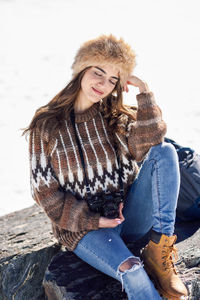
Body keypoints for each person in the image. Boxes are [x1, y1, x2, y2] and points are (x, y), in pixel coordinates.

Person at [23, 35, 188, 299]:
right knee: (132, 270)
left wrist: (144, 90)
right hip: (86, 230)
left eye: (113, 79)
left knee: (165, 151)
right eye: (98, 73)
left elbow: (151, 142)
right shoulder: (47, 125)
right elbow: (46, 195)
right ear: (81, 71)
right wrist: (95, 220)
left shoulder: (115, 117)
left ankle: (159, 250)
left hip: (129, 216)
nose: (103, 84)